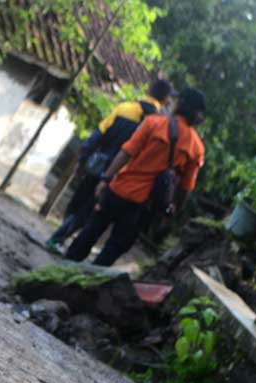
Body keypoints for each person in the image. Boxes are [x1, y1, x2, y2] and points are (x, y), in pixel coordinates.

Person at [64, 87, 207, 267]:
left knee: (90, 232)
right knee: (115, 247)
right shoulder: (196, 148)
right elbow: (185, 188)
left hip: (118, 189)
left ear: (181, 105)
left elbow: (126, 152)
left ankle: (62, 272)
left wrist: (105, 179)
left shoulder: (153, 123)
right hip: (143, 207)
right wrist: (172, 210)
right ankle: (87, 283)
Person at [44, 79, 174, 253]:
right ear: (165, 100)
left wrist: (83, 160)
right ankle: (58, 239)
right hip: (121, 176)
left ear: (148, 90)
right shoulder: (159, 124)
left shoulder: (124, 108)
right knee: (92, 209)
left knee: (82, 203)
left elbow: (97, 136)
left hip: (99, 165)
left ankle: (59, 238)